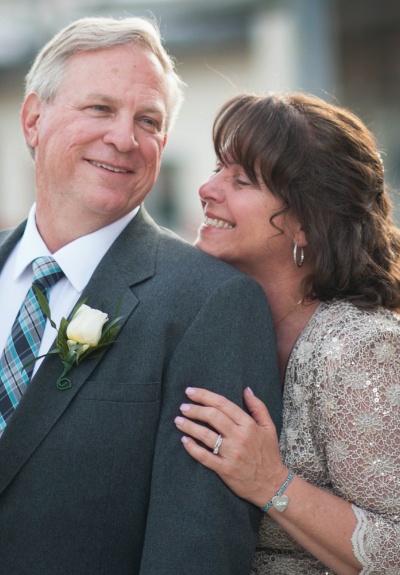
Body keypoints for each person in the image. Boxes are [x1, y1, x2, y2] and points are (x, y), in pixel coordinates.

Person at [0, 19, 283, 575]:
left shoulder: (212, 303)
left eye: (148, 120)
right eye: (100, 109)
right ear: (33, 118)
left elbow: (196, 550)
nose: (125, 139)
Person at [174, 92, 400, 574]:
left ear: (305, 223)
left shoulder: (359, 350)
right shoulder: (208, 317)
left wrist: (269, 481)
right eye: (218, 168)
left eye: (241, 180)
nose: (207, 188)